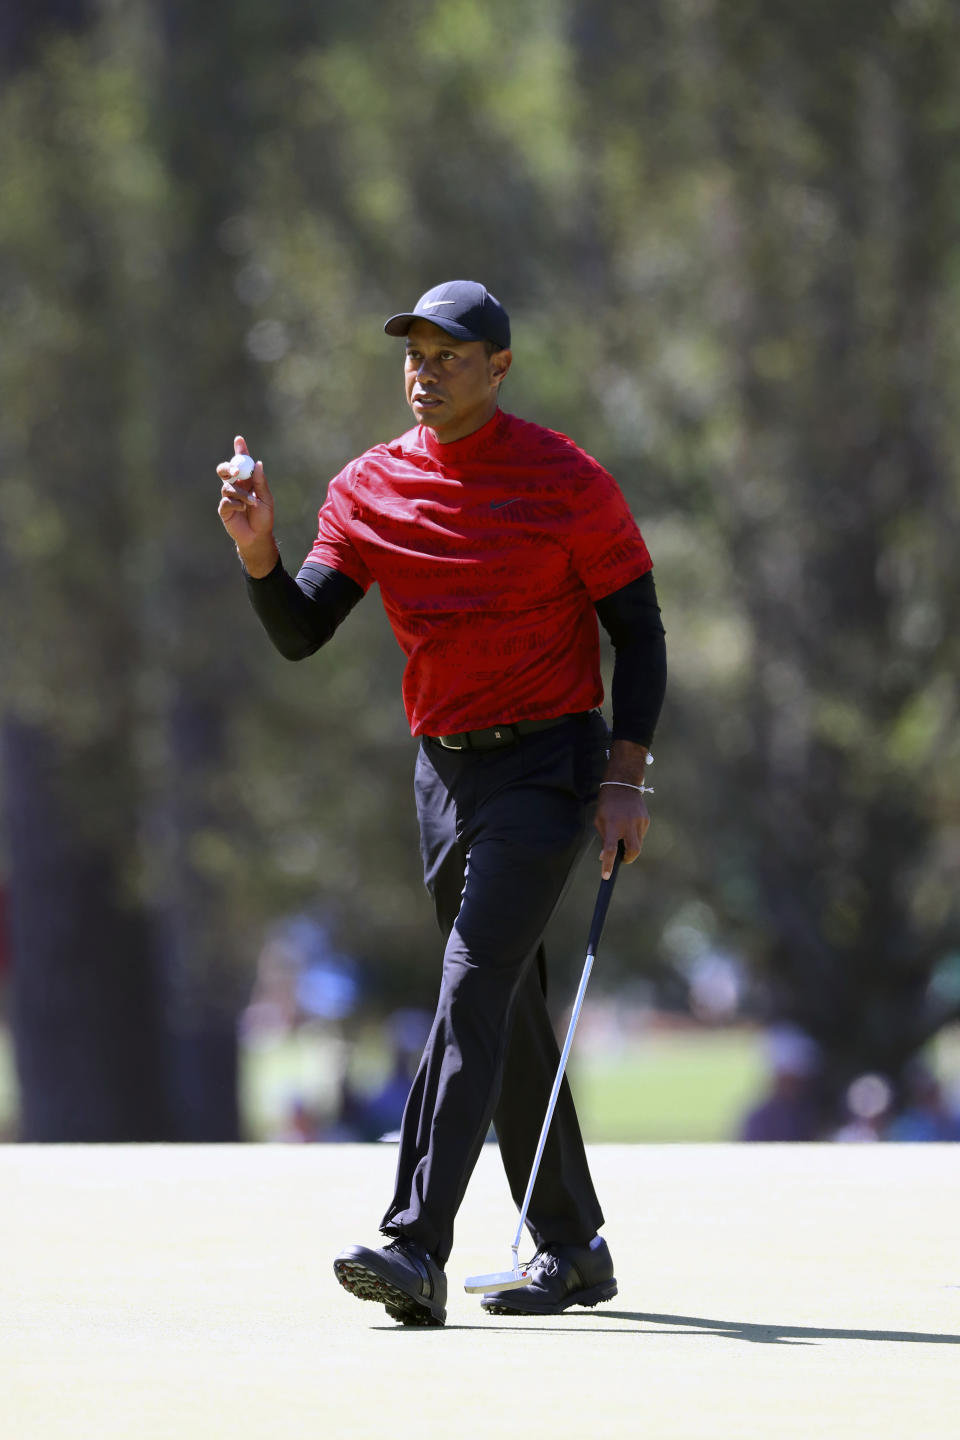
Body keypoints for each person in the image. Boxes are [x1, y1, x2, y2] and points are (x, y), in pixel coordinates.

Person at [217, 280, 667, 1326]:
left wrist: (625, 775)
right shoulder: (369, 488)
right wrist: (258, 554)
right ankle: (572, 1246)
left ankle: (413, 1245)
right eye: (414, 354)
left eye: (450, 355)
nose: (425, 370)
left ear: (499, 369)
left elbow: (639, 631)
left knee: (470, 989)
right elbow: (301, 629)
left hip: (551, 766)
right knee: (502, 1002)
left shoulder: (565, 481)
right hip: (444, 775)